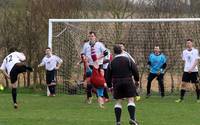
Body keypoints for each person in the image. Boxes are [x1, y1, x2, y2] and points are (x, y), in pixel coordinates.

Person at [106, 45, 140, 125]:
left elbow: (107, 75)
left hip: (117, 82)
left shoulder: (111, 62)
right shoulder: (128, 60)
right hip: (128, 81)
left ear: (114, 52)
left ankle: (118, 122)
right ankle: (132, 119)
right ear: (122, 50)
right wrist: (136, 80)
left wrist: (110, 86)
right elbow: (135, 70)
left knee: (118, 102)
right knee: (130, 100)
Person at [81, 31, 108, 104]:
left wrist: (98, 58)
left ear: (95, 37)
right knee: (89, 82)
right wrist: (84, 57)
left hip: (99, 65)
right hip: (90, 65)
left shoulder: (99, 44)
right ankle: (89, 97)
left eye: (92, 36)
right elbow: (82, 53)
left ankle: (103, 97)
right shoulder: (86, 45)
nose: (91, 37)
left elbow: (106, 53)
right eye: (90, 36)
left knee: (101, 82)